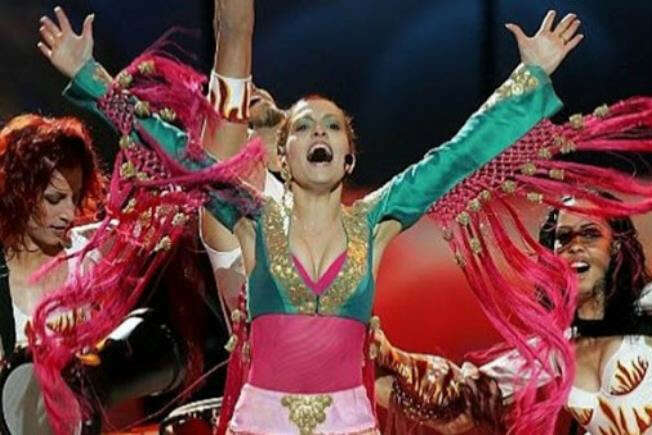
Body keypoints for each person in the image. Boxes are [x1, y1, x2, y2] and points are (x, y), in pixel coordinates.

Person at [37, 3, 594, 434]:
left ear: (348, 157)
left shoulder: (376, 221)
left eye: (331, 127)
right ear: (283, 157)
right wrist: (89, 75)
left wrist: (530, 75)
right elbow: (175, 152)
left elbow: (457, 155)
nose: (318, 133)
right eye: (303, 127)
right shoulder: (251, 217)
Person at [374, 195, 652, 434]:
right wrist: (384, 356)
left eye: (590, 233)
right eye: (563, 238)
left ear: (617, 245)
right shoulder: (553, 352)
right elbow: (460, 404)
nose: (575, 246)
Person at [0, 113, 105, 434]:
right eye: (55, 199)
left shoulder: (88, 259)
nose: (69, 214)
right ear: (19, 192)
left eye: (75, 197)